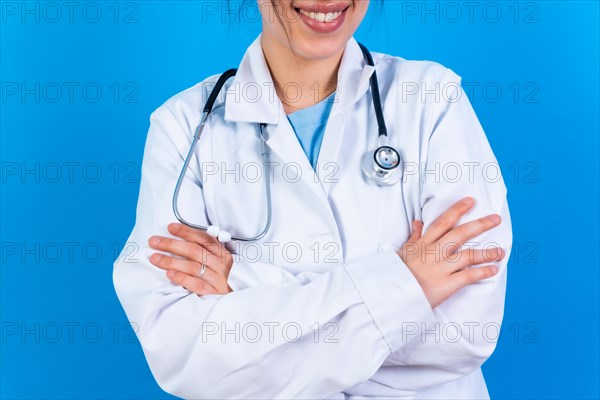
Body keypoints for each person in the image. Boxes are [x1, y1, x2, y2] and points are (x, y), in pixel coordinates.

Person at [113, 0, 512, 398]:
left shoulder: (430, 98)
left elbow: (463, 332)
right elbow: (187, 356)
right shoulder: (183, 128)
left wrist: (242, 281)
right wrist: (406, 285)